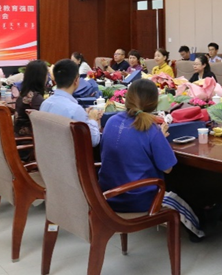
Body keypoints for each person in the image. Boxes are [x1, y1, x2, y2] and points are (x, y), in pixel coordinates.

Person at [98, 79, 205, 238]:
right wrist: (160, 137)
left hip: (107, 195)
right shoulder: (150, 129)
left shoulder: (111, 121)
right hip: (138, 199)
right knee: (182, 189)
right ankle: (201, 227)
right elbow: (168, 168)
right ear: (155, 103)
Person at [40, 59, 102, 147]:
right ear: (76, 81)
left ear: (55, 81)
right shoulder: (75, 110)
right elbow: (93, 141)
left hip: (48, 153)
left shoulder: (45, 104)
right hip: (69, 155)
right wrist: (93, 119)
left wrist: (84, 115)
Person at [13, 60, 48, 138]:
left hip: (18, 138)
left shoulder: (23, 94)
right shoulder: (35, 98)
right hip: (28, 141)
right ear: (41, 77)